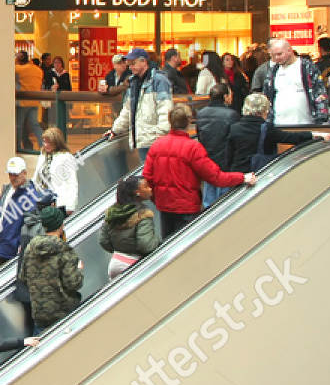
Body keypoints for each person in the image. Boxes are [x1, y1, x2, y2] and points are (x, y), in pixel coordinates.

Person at [144, 105, 253, 237]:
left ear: (170, 122)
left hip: (164, 206)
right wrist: (242, 177)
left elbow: (147, 177)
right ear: (189, 122)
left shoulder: (157, 145)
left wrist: (157, 198)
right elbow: (215, 177)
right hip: (187, 206)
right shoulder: (193, 147)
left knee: (167, 245)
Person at [228, 93, 330, 173]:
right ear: (264, 110)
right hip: (259, 173)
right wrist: (314, 134)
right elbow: (290, 137)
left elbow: (228, 155)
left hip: (238, 174)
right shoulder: (266, 129)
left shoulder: (234, 128)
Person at [20, 204, 83, 333]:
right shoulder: (65, 251)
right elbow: (73, 284)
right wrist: (79, 269)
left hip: (39, 314)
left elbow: (23, 277)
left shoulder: (30, 248)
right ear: (61, 225)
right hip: (63, 314)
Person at [105, 47, 172, 160]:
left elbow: (165, 109)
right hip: (142, 139)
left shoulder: (159, 80)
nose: (130, 67)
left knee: (153, 174)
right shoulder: (133, 82)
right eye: (129, 64)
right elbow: (127, 110)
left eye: (133, 63)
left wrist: (162, 132)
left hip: (155, 139)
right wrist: (115, 130)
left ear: (144, 61)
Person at [0, 155, 49, 266]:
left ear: (24, 173)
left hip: (15, 252)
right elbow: (0, 217)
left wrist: (22, 246)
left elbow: (30, 223)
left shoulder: (30, 195)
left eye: (16, 174)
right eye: (10, 174)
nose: (13, 178)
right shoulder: (7, 190)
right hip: (3, 248)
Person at [99, 174, 158, 276]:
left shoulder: (113, 212)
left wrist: (119, 249)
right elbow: (146, 245)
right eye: (146, 186)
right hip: (134, 264)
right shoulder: (143, 214)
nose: (150, 189)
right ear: (137, 192)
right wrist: (157, 240)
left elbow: (103, 241)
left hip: (115, 263)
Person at [262, 38, 329, 126]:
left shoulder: (307, 67)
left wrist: (321, 118)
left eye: (280, 54)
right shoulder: (272, 72)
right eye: (274, 55)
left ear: (290, 51)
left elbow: (319, 92)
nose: (277, 58)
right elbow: (267, 96)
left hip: (306, 123)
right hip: (278, 125)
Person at [195, 81, 240, 207]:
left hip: (207, 161)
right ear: (225, 97)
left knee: (209, 201)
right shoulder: (231, 115)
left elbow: (200, 136)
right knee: (224, 202)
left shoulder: (201, 114)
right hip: (226, 162)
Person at [32, 125, 79, 214]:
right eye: (44, 142)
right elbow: (36, 178)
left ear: (57, 143)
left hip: (58, 203)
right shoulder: (43, 155)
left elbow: (72, 183)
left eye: (49, 142)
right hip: (41, 200)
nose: (46, 145)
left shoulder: (66, 157)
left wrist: (70, 206)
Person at [15, 49, 42, 151]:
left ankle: (17, 147)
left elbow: (11, 69)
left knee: (19, 126)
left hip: (22, 101)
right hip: (35, 100)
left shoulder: (18, 69)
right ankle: (43, 144)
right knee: (35, 125)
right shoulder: (38, 70)